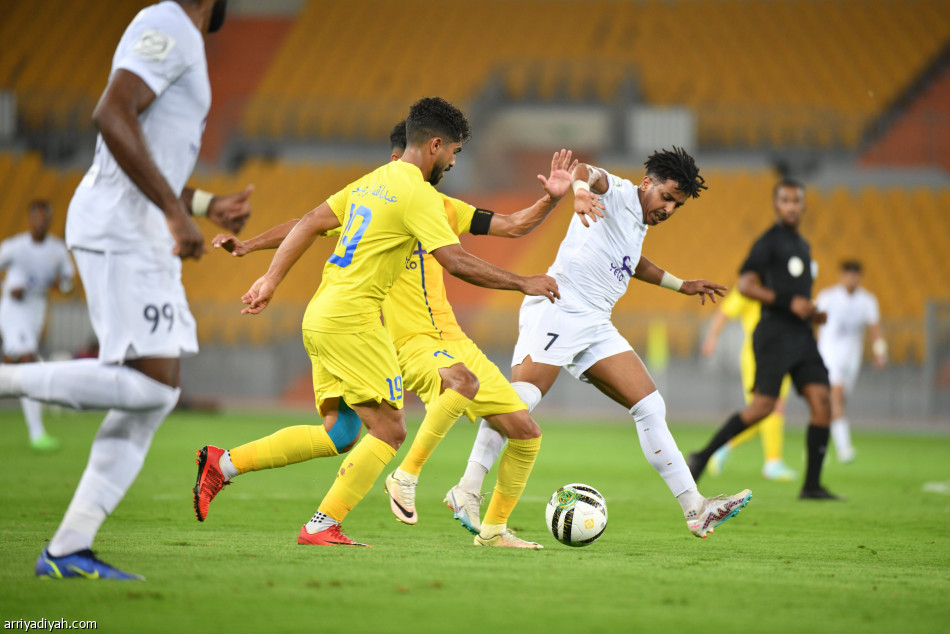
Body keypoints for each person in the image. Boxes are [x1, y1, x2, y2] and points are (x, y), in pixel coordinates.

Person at [195, 121, 587, 549]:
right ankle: (355, 506)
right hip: (385, 334)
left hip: (369, 324)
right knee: (396, 426)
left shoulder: (412, 198)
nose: (453, 163)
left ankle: (225, 463)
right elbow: (453, 260)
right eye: (451, 154)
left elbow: (510, 224)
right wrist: (521, 282)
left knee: (341, 433)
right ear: (423, 152)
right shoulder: (405, 194)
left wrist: (549, 201)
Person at [0, 0, 253, 580]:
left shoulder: (181, 34)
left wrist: (202, 205)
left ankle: (67, 550)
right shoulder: (166, 22)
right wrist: (174, 213)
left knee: (155, 396)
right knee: (150, 384)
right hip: (122, 226)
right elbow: (111, 114)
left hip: (136, 226)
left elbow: (149, 151)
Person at [439, 148, 752, 539]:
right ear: (647, 183)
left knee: (650, 406)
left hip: (595, 323)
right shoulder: (617, 192)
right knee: (519, 401)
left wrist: (681, 285)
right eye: (667, 197)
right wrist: (581, 191)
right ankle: (467, 488)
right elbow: (586, 171)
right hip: (559, 305)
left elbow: (633, 261)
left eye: (678, 205)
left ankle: (695, 508)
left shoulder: (636, 224)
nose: (669, 209)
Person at [688, 178, 840, 500]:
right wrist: (788, 303)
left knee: (822, 402)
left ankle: (812, 486)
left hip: (802, 335)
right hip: (774, 335)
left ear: (802, 205)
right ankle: (703, 456)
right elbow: (745, 286)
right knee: (763, 407)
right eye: (785, 200)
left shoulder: (803, 246)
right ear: (776, 205)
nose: (791, 206)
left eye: (796, 201)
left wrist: (812, 314)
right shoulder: (767, 243)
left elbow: (797, 297)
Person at [0, 200, 75, 451]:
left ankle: (37, 433)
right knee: (29, 362)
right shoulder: (16, 247)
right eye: (37, 218)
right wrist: (8, 288)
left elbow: (68, 283)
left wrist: (59, 283)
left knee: (11, 365)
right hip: (14, 310)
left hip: (36, 312)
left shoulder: (57, 249)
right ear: (30, 219)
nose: (40, 222)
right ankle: (37, 434)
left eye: (45, 218)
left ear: (50, 220)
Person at [701, 287, 797, 481]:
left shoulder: (784, 284)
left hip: (782, 355)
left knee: (769, 410)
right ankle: (773, 462)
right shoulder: (751, 286)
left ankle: (723, 447)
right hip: (758, 356)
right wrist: (712, 338)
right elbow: (724, 312)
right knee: (766, 408)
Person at [815, 260, 886, 463]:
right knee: (835, 396)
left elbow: (875, 329)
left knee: (837, 402)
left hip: (851, 359)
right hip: (829, 355)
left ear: (859, 277)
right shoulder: (828, 297)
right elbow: (814, 319)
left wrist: (880, 351)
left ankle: (819, 446)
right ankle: (844, 448)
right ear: (842, 276)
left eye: (855, 275)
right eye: (848, 274)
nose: (851, 279)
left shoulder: (867, 301)